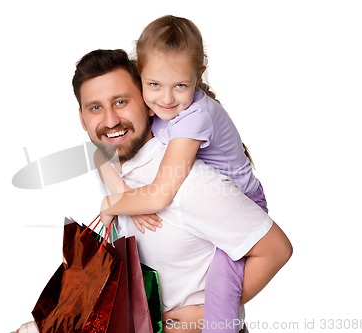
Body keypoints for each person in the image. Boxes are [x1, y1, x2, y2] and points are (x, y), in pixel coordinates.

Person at [74, 48, 292, 333]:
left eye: (121, 102)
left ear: (148, 103)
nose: (111, 120)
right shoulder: (113, 162)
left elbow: (276, 250)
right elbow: (100, 156)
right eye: (95, 108)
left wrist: (204, 317)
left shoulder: (189, 183)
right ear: (82, 119)